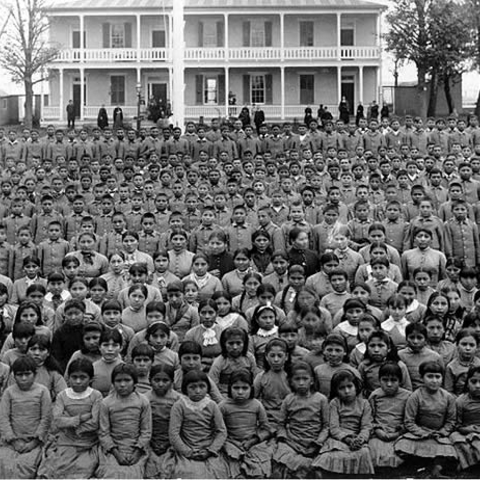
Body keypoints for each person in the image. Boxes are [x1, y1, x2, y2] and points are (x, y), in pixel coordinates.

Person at [38, 358, 103, 479]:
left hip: (88, 441)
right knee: (56, 465)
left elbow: (95, 422)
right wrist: (80, 418)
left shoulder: (96, 396)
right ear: (68, 378)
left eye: (83, 377)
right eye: (74, 377)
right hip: (66, 439)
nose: (78, 381)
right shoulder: (62, 395)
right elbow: (57, 420)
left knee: (82, 467)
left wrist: (76, 427)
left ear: (91, 379)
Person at [395, 360, 457, 478]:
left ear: (442, 378)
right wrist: (423, 433)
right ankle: (421, 464)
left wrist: (443, 432)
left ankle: (437, 468)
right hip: (420, 433)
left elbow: (451, 421)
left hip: (439, 434)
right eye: (429, 376)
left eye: (437, 377)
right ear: (422, 377)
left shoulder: (448, 397)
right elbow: (409, 421)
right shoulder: (415, 396)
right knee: (403, 445)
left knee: (447, 450)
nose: (434, 380)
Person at [165, 369, 229, 479]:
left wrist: (211, 450)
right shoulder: (179, 406)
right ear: (185, 388)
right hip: (186, 448)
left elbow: (221, 431)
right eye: (193, 387)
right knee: (185, 472)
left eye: (202, 386)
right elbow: (174, 434)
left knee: (217, 471)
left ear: (208, 388)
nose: (198, 391)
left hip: (208, 447)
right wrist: (188, 452)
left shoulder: (212, 405)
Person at [312, 369, 374, 476]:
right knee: (327, 457)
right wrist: (347, 439)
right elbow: (334, 428)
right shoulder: (335, 403)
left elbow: (366, 426)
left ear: (356, 386)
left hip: (357, 437)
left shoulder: (364, 404)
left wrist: (360, 439)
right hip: (339, 438)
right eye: (342, 388)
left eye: (349, 386)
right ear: (336, 390)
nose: (346, 391)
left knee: (364, 453)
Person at [273, 361, 329, 478]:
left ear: (312, 381)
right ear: (291, 382)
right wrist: (284, 438)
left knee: (323, 461)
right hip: (292, 441)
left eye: (305, 379)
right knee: (280, 459)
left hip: (314, 441)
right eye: (297, 379)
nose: (301, 383)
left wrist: (318, 442)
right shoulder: (289, 399)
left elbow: (326, 426)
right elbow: (280, 424)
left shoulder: (321, 399)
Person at [97, 364, 152, 479]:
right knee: (111, 474)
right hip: (113, 448)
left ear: (135, 382)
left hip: (137, 447)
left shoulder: (143, 401)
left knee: (133, 474)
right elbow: (103, 432)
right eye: (118, 381)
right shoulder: (106, 403)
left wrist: (137, 452)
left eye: (127, 380)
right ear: (113, 383)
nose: (122, 385)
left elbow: (146, 431)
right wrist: (116, 454)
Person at [0, 357, 51, 479]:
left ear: (35, 374)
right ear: (13, 375)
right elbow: (3, 418)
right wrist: (13, 440)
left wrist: (34, 442)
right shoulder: (9, 392)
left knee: (27, 465)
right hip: (11, 442)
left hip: (35, 442)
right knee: (5, 463)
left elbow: (46, 418)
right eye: (19, 375)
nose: (23, 378)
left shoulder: (42, 391)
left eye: (27, 374)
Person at [220, 369, 273, 478]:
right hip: (230, 443)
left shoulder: (256, 405)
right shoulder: (223, 406)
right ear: (230, 388)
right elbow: (218, 429)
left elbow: (266, 429)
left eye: (244, 388)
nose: (240, 392)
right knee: (230, 468)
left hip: (252, 442)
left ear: (251, 389)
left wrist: (253, 441)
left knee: (259, 467)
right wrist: (229, 442)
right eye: (236, 388)